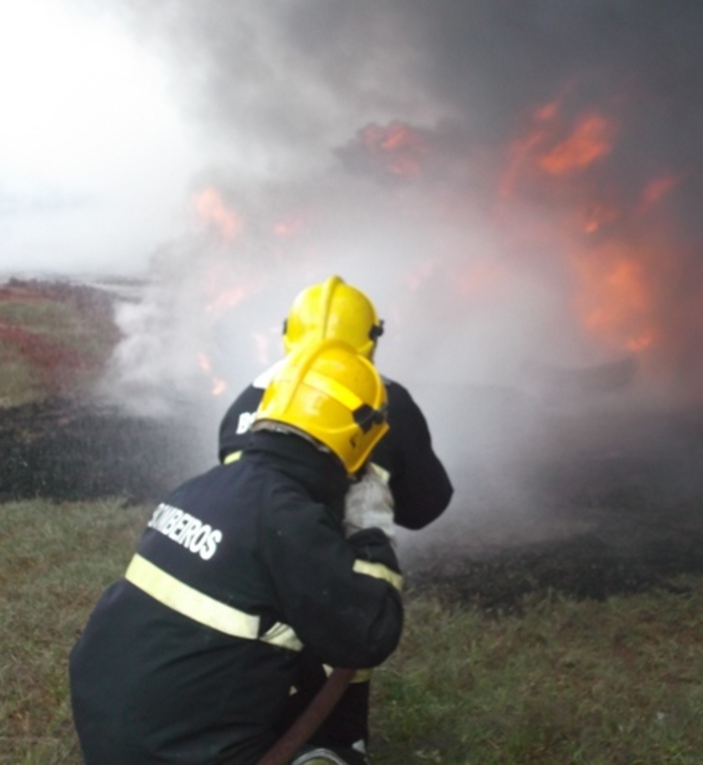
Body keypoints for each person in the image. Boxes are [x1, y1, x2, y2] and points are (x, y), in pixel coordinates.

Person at [69, 338, 404, 765]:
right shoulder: (288, 518)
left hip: (108, 734)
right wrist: (371, 528)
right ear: (359, 440)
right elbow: (369, 633)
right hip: (174, 754)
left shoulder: (203, 487)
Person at [218, 276, 454, 762]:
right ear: (370, 341)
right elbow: (427, 505)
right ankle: (334, 745)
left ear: (287, 335)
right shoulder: (387, 402)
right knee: (339, 640)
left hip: (237, 580)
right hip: (333, 587)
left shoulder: (245, 398)